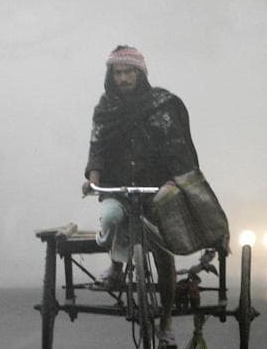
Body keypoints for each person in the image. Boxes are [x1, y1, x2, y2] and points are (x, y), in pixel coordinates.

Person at [81, 45, 199, 348]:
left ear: (140, 73)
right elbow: (97, 147)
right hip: (118, 188)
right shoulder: (105, 108)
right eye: (118, 73)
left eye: (128, 72)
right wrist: (93, 180)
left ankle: (167, 325)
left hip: (157, 191)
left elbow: (176, 145)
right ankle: (117, 268)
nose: (123, 78)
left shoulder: (160, 104)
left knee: (163, 254)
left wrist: (177, 180)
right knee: (110, 217)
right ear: (111, 76)